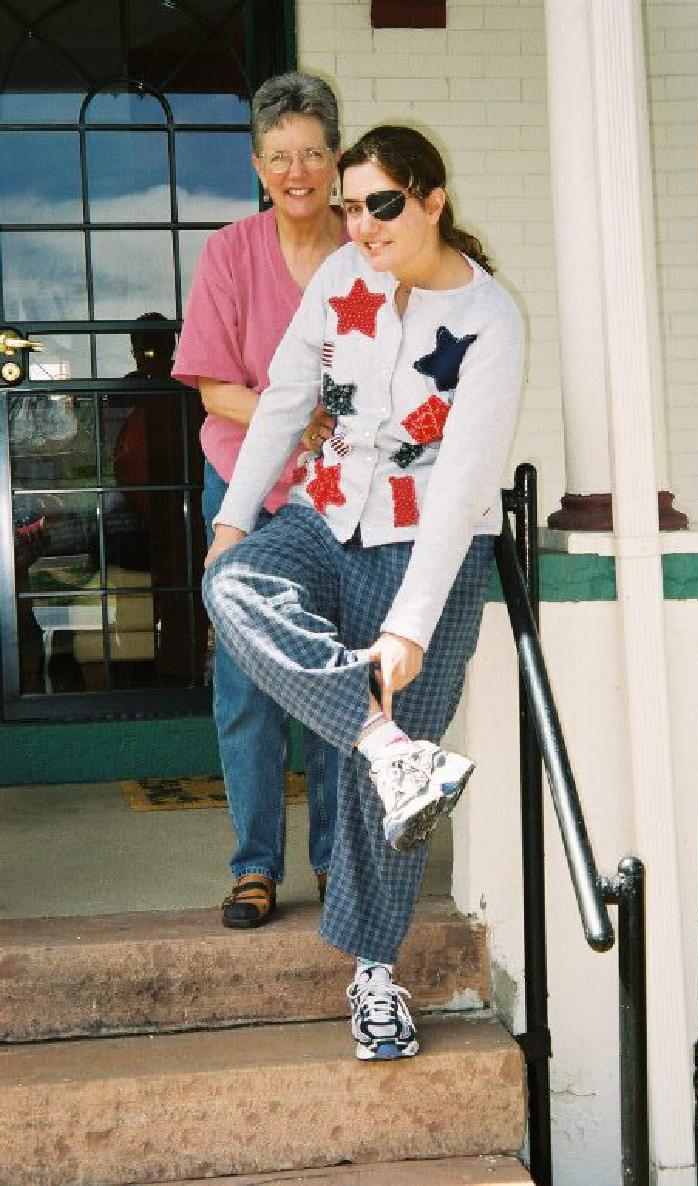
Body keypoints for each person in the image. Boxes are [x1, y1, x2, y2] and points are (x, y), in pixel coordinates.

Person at [203, 125, 524, 1060]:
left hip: (427, 549)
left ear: (432, 200)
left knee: (383, 792)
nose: (363, 224)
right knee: (234, 586)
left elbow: (462, 486)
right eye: (350, 207)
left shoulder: (492, 319)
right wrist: (233, 526)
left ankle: (375, 976)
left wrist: (409, 628)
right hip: (324, 514)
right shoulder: (343, 276)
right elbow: (283, 397)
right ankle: (387, 744)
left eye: (382, 203)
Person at [172, 73, 345, 928]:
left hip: (340, 492)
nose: (296, 171)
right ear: (257, 166)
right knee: (245, 683)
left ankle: (337, 860)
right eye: (279, 156)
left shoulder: (366, 247)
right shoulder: (229, 254)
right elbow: (213, 388)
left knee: (335, 673)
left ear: (336, 160)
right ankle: (254, 865)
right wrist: (297, 419)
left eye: (311, 153)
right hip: (243, 483)